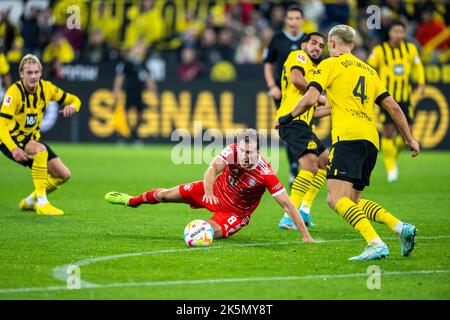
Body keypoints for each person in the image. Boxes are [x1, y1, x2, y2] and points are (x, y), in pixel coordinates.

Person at [277, 25, 420, 260]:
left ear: (332, 44)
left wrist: (288, 116)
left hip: (348, 139)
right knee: (353, 201)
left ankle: (375, 243)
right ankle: (399, 227)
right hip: (371, 142)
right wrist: (410, 139)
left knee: (335, 199)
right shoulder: (369, 71)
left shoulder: (329, 65)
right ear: (352, 44)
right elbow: (393, 106)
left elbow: (311, 97)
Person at [105, 129, 314, 243]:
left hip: (234, 213)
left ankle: (199, 234)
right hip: (213, 192)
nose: (244, 155)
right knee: (165, 195)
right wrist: (208, 192)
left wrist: (305, 235)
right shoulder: (231, 152)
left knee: (206, 231)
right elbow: (212, 170)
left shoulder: (266, 174)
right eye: (242, 150)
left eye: (249, 152)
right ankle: (132, 201)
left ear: (258, 153)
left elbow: (287, 205)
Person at [0, 54, 81, 215]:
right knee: (40, 151)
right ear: (21, 73)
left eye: (36, 72)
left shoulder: (47, 88)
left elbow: (75, 99)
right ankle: (43, 203)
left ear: (41, 73)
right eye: (29, 73)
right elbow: (1, 126)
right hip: (9, 138)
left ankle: (30, 201)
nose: (33, 76)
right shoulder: (13, 93)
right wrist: (14, 148)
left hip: (30, 139)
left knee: (63, 174)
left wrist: (73, 107)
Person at [276, 32, 330, 230]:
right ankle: (289, 216)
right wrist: (318, 93)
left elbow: (313, 110)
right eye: (313, 43)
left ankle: (305, 210)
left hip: (303, 123)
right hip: (292, 121)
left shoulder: (314, 69)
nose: (317, 47)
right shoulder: (299, 56)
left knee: (326, 162)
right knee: (310, 165)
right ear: (303, 44)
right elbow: (296, 78)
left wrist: (335, 107)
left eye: (321, 45)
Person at [367, 20, 425, 182]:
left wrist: (421, 83)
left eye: (401, 31)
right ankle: (391, 166)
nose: (398, 34)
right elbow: (369, 69)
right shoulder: (379, 51)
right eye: (395, 31)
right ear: (389, 33)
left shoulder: (411, 49)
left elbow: (418, 66)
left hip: (405, 97)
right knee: (387, 132)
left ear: (405, 33)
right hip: (386, 97)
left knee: (408, 133)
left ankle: (392, 157)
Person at [263, 4, 305, 192]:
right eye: (291, 18)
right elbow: (268, 64)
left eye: (297, 18)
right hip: (283, 93)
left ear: (302, 20)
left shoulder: (308, 40)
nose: (294, 21)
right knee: (288, 128)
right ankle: (295, 167)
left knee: (303, 127)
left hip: (303, 93)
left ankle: (300, 166)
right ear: (285, 20)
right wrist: (272, 86)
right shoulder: (277, 39)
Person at [113, 40, 157, 145]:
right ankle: (125, 135)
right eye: (137, 48)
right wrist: (117, 89)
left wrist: (153, 90)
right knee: (126, 113)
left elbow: (149, 78)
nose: (139, 50)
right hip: (129, 92)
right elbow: (120, 77)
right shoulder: (127, 63)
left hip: (139, 93)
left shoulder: (143, 64)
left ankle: (135, 134)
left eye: (141, 48)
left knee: (140, 114)